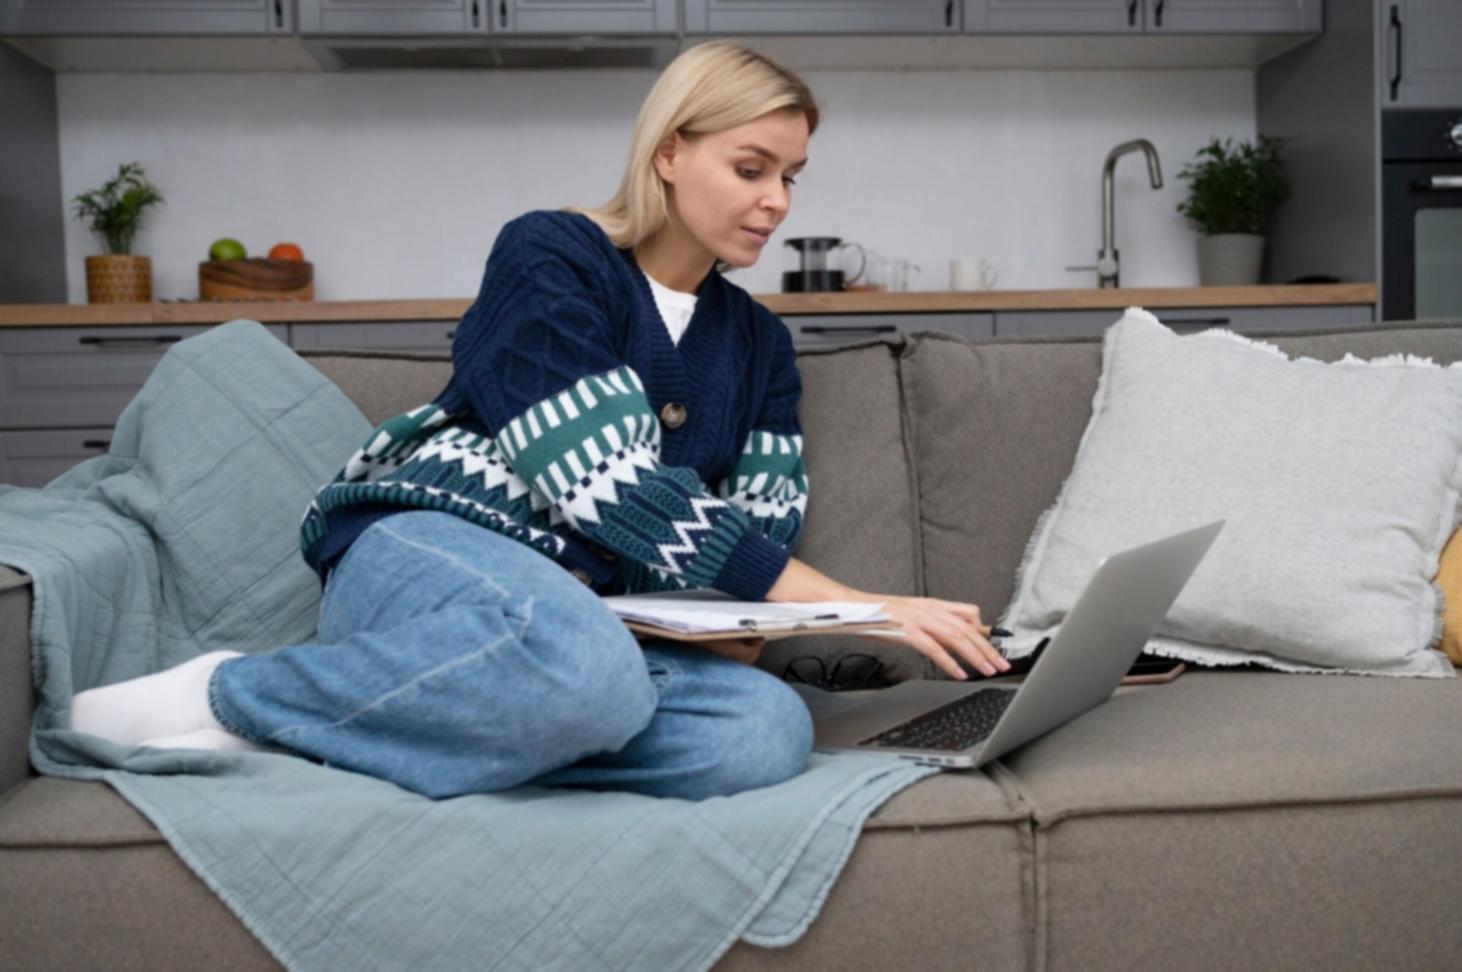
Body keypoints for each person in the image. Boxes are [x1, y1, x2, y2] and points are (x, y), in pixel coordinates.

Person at [70, 40, 1008, 802]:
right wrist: (871, 607)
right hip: (434, 551)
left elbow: (758, 528)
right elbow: (605, 483)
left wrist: (741, 623)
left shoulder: (760, 343)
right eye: (751, 167)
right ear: (669, 153)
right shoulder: (549, 255)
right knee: (585, 671)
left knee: (760, 734)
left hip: (596, 629)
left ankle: (367, 728)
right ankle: (231, 691)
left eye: (792, 176)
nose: (778, 202)